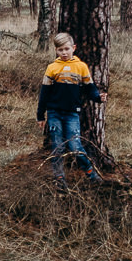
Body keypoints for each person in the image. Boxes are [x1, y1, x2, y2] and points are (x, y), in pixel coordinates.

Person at [36, 32, 107, 190]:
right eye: (60, 50)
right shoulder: (52, 68)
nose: (64, 52)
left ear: (73, 48)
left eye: (67, 49)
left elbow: (90, 88)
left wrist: (98, 97)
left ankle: (92, 175)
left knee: (75, 146)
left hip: (72, 114)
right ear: (56, 51)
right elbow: (44, 93)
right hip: (54, 113)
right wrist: (40, 115)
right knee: (58, 147)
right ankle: (59, 179)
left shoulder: (81, 67)